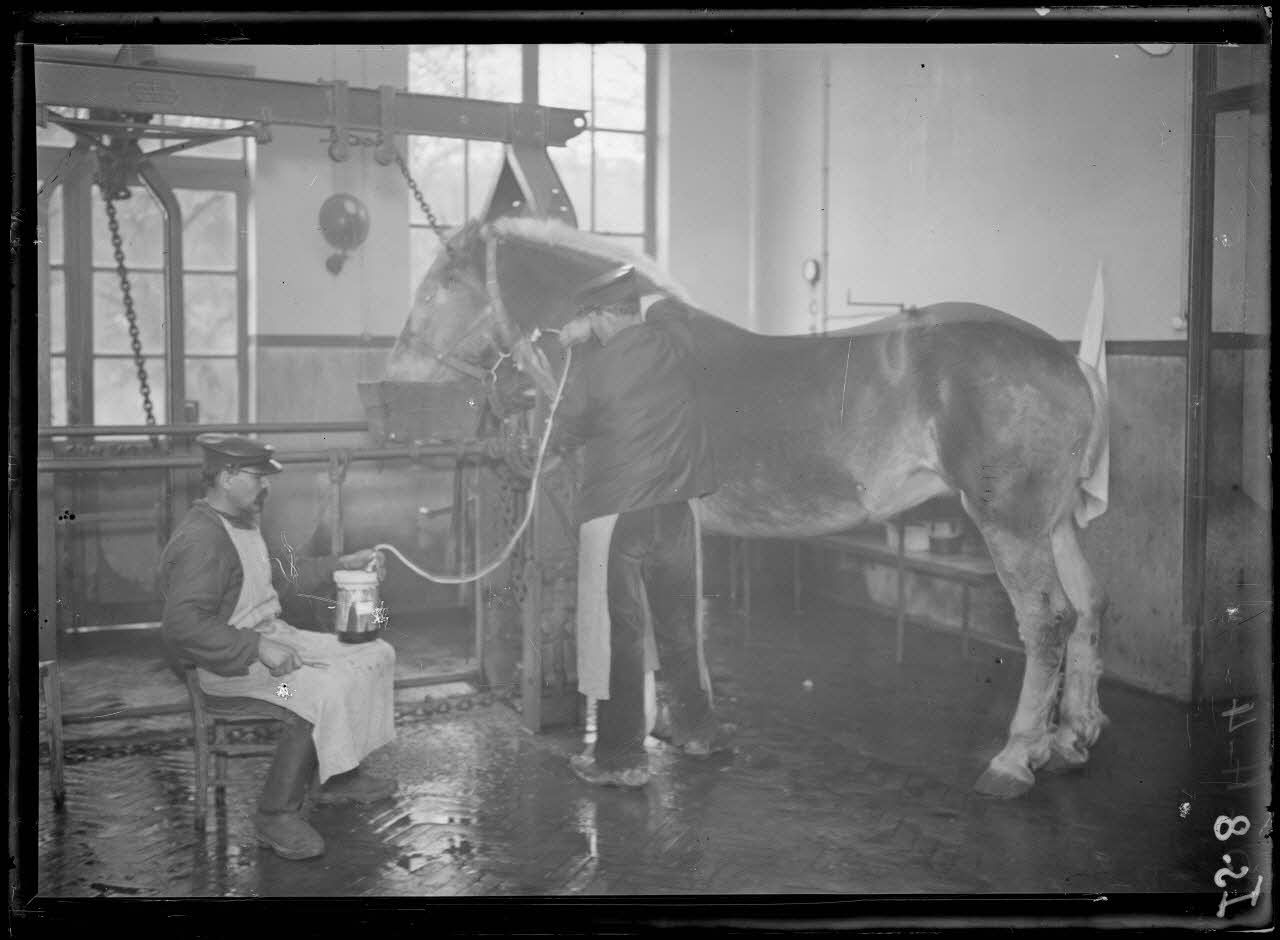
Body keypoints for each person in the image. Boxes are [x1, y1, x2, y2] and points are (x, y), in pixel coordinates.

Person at [158, 433, 397, 860]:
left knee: (373, 654)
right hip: (230, 670)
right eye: (257, 477)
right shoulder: (201, 539)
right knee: (314, 690)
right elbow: (182, 625)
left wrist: (343, 564)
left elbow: (282, 582)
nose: (266, 486)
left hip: (273, 639)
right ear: (227, 476)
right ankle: (274, 815)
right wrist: (257, 646)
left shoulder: (240, 525)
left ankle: (338, 775)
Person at [552, 264, 735, 789]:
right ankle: (699, 731)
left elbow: (566, 429)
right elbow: (669, 308)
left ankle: (621, 759)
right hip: (677, 511)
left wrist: (578, 344)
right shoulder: (674, 342)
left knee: (620, 637)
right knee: (681, 629)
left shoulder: (592, 367)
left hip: (618, 517)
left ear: (601, 318)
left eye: (592, 319)